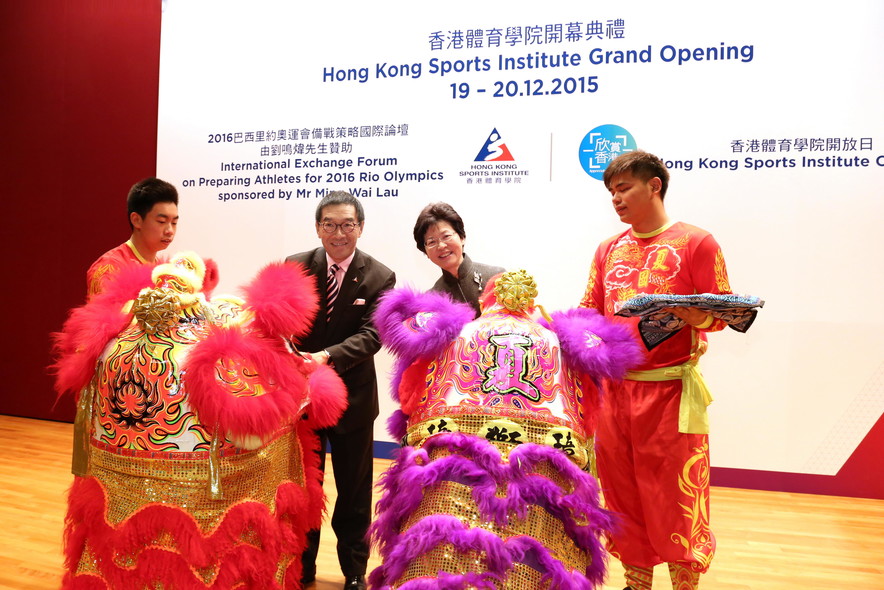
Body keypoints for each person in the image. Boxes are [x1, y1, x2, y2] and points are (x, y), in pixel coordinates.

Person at [579, 151, 732, 590]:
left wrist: (690, 316)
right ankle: (636, 583)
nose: (616, 199)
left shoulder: (696, 243)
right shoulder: (608, 250)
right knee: (622, 494)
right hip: (614, 394)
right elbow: (590, 309)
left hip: (669, 394)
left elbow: (719, 313)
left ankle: (684, 584)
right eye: (611, 192)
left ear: (654, 186)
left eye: (624, 188)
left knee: (675, 496)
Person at [286, 191, 396, 590]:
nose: (339, 233)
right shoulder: (295, 267)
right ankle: (303, 565)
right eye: (329, 224)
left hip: (352, 399)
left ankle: (354, 570)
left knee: (353, 490)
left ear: (360, 228)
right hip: (303, 400)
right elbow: (283, 320)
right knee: (305, 488)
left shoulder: (380, 276)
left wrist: (326, 357)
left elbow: (373, 335)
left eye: (347, 224)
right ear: (318, 227)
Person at [86, 177, 179, 298]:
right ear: (136, 220)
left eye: (174, 223)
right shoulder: (110, 267)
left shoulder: (165, 271)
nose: (170, 231)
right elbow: (105, 315)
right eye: (161, 221)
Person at [412, 202, 504, 317]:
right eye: (431, 242)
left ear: (462, 237)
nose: (441, 246)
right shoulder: (431, 299)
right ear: (426, 251)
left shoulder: (497, 277)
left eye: (446, 236)